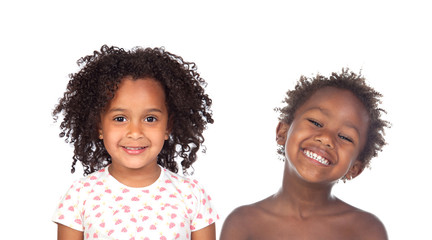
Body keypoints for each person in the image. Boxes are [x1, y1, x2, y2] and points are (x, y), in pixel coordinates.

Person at [52, 45, 218, 240]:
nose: (135, 133)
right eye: (120, 118)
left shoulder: (192, 195)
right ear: (98, 126)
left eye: (150, 119)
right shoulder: (79, 196)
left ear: (168, 126)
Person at [220, 69, 390, 240]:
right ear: (283, 132)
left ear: (355, 168)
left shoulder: (366, 230)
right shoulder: (243, 223)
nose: (326, 139)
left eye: (345, 137)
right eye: (315, 122)